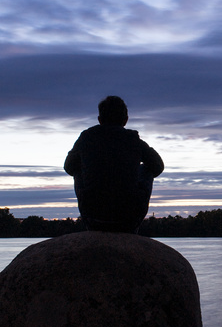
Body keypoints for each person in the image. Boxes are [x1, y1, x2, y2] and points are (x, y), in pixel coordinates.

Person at [64, 96, 164, 233]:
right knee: (147, 168)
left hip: (93, 217)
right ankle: (132, 225)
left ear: (99, 120)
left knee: (77, 169)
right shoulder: (133, 139)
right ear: (125, 120)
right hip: (129, 219)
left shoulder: (87, 138)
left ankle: (91, 221)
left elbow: (69, 167)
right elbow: (158, 166)